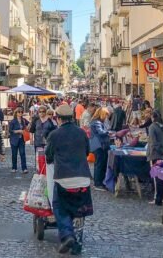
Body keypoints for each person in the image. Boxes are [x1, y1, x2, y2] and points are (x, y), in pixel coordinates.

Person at [46, 104, 93, 255]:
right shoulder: (81, 133)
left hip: (64, 179)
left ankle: (67, 235)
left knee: (60, 207)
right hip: (83, 178)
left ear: (58, 119)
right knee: (79, 210)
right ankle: (77, 244)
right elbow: (87, 151)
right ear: (72, 118)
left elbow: (48, 155)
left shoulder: (54, 135)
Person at [147, 110, 163, 206]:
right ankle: (162, 198)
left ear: (153, 118)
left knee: (157, 178)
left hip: (155, 155)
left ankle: (157, 199)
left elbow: (154, 143)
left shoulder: (152, 127)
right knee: (162, 177)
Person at [88, 108, 110, 191]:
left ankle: (100, 182)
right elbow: (101, 132)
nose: (106, 117)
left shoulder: (97, 121)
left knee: (101, 164)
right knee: (99, 164)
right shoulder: (97, 122)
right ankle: (98, 184)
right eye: (106, 115)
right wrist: (109, 132)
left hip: (100, 145)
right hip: (99, 146)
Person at [8, 107, 29, 173]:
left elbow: (30, 124)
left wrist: (27, 128)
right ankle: (14, 168)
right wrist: (18, 131)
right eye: (19, 112)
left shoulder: (24, 120)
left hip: (22, 139)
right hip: (14, 140)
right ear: (16, 113)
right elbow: (10, 131)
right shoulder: (13, 121)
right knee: (14, 154)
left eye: (21, 112)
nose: (20, 113)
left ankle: (24, 168)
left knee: (22, 153)